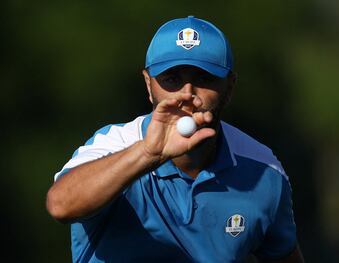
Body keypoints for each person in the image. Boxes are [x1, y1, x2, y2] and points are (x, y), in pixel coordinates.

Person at [46, 16, 304, 263]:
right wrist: (148, 153)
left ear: (229, 87)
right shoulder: (112, 145)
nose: (187, 94)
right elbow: (61, 205)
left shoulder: (263, 171)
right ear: (148, 85)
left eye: (204, 79)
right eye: (172, 79)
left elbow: (283, 256)